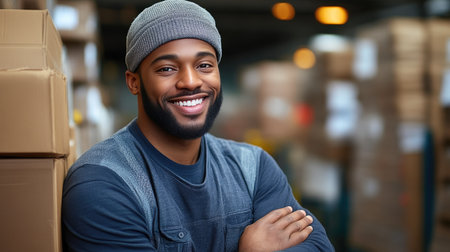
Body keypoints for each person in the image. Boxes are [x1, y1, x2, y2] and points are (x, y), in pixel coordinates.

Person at [62, 0, 334, 251]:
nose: (191, 81)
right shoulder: (104, 184)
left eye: (204, 65)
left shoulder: (253, 168)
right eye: (167, 68)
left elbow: (317, 246)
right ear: (133, 82)